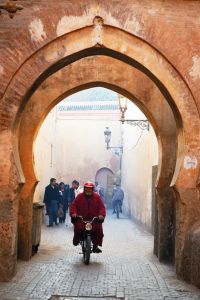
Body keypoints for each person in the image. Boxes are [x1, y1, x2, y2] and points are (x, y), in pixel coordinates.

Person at [70, 181, 106, 253]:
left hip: (94, 219)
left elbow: (102, 207)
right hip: (82, 219)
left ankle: (95, 246)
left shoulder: (97, 197)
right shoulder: (79, 196)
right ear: (85, 188)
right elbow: (73, 205)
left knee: (99, 230)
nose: (88, 190)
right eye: (87, 188)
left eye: (90, 188)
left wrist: (101, 214)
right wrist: (74, 213)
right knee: (77, 228)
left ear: (92, 189)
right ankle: (76, 241)